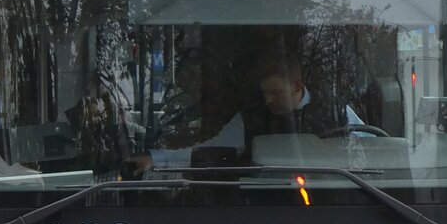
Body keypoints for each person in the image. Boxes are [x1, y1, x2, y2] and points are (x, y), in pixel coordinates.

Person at [137, 55, 358, 171]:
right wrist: (157, 158)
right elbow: (212, 149)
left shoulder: (338, 111)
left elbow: (367, 152)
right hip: (264, 207)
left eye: (276, 92)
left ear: (297, 85)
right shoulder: (250, 118)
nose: (268, 100)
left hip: (332, 205)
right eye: (265, 93)